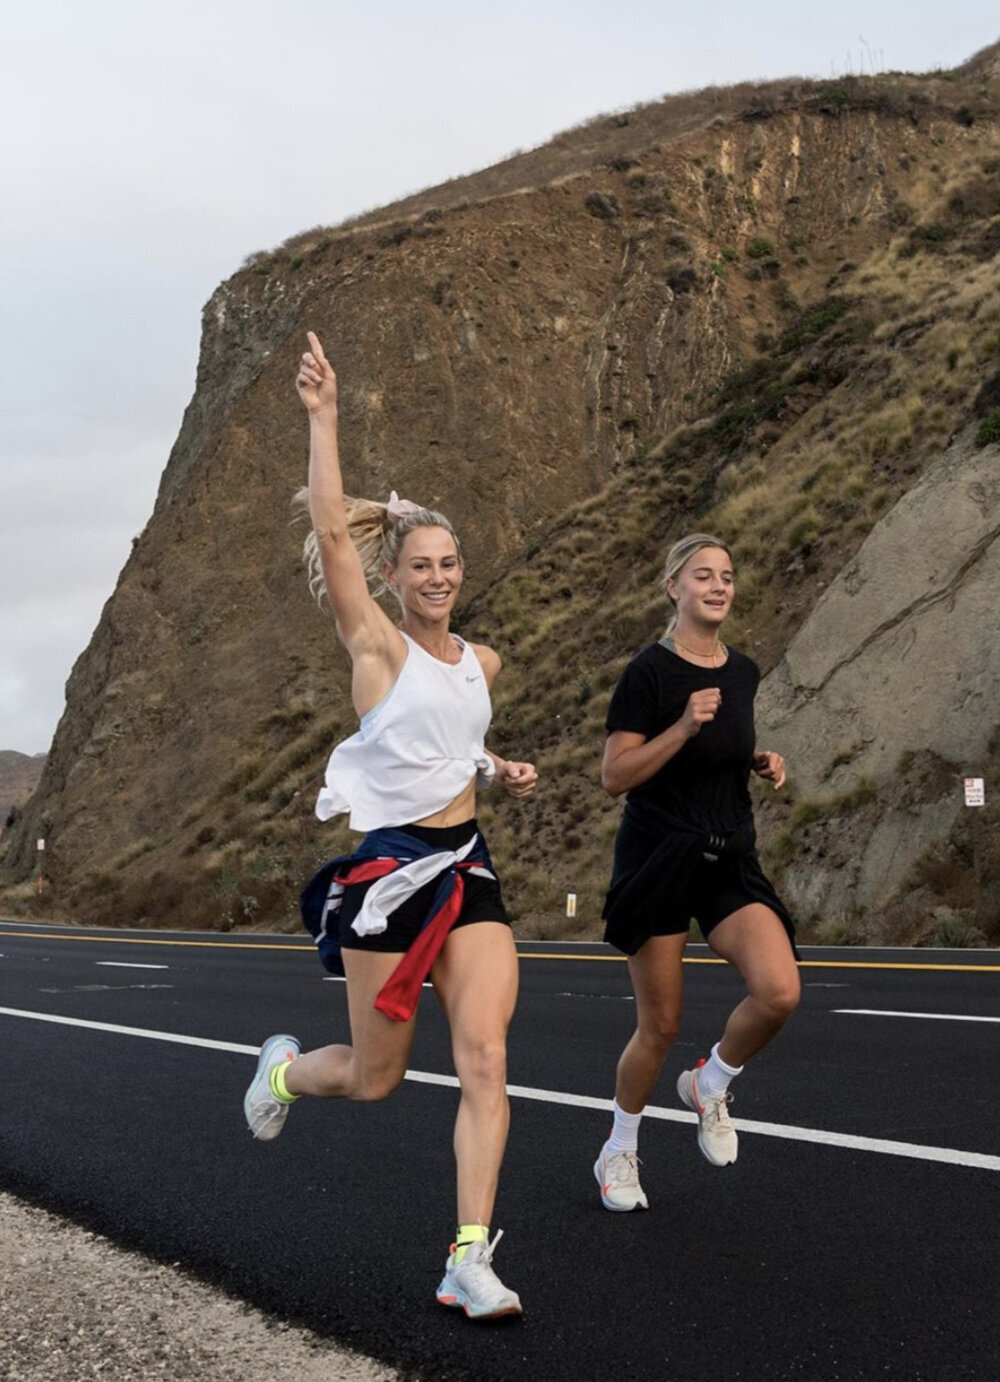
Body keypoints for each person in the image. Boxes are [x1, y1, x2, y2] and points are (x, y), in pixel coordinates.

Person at [243, 331, 537, 1318]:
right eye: (421, 564)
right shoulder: (375, 647)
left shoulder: (480, 663)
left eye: (451, 562)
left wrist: (498, 766)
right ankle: (283, 1070)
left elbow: (450, 742)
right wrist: (323, 419)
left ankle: (466, 1255)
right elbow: (331, 537)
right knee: (373, 1081)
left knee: (487, 1054)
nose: (440, 576)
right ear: (396, 574)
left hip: (467, 865)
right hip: (387, 873)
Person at [593, 533, 799, 1211]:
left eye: (727, 577)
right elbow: (614, 776)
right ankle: (620, 1148)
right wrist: (680, 727)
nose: (718, 586)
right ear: (673, 588)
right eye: (703, 576)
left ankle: (711, 1081)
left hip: (726, 851)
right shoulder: (648, 674)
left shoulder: (742, 671)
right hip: (660, 856)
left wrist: (755, 760)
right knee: (659, 1026)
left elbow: (721, 746)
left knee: (779, 991)